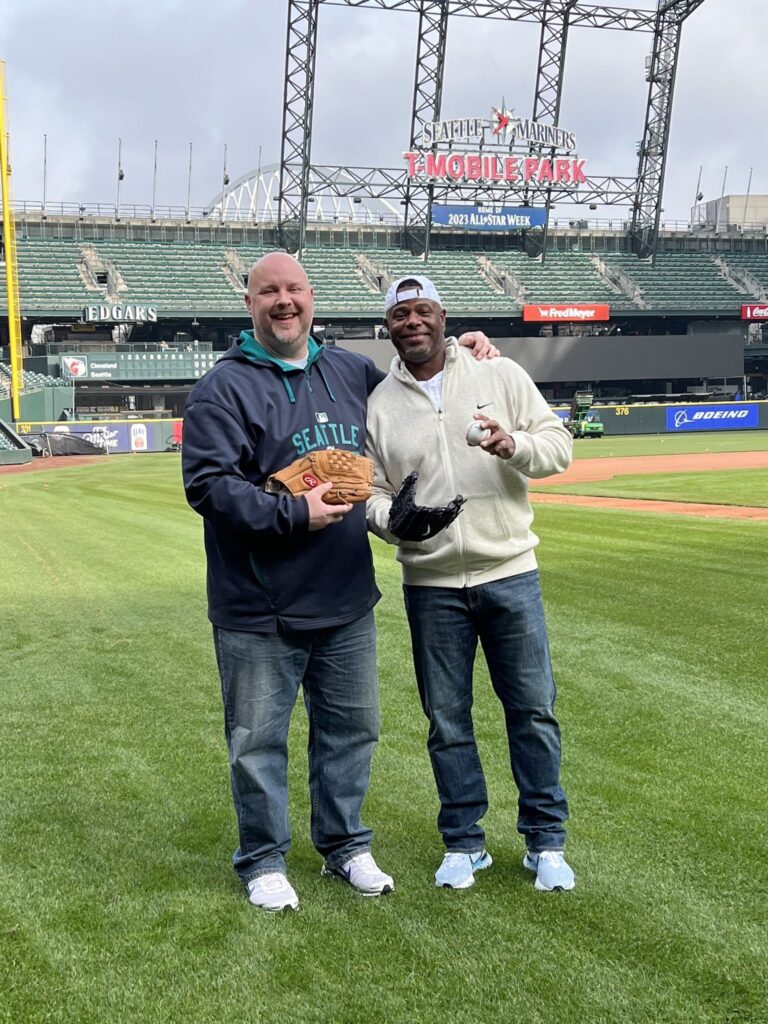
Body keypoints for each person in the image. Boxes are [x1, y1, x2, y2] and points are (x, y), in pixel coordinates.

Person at [182, 253, 496, 912]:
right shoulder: (224, 386)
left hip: (345, 597)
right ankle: (264, 859)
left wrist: (463, 350)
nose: (284, 302)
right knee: (258, 742)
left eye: (294, 289)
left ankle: (345, 845)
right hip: (257, 604)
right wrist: (294, 513)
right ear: (250, 303)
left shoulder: (350, 371)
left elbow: (419, 377)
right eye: (270, 292)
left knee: (351, 731)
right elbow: (207, 487)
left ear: (312, 298)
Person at [366, 275, 576, 893]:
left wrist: (513, 446)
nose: (412, 321)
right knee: (447, 719)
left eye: (422, 309)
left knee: (532, 711)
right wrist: (389, 520)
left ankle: (546, 842)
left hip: (510, 570)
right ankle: (464, 843)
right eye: (400, 314)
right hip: (430, 583)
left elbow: (558, 445)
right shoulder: (380, 403)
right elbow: (373, 493)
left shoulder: (499, 374)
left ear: (442, 316)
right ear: (390, 327)